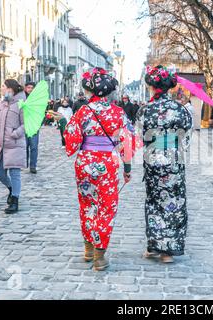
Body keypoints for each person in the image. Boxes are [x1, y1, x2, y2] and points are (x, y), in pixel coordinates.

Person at [64, 67, 137, 271]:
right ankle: (99, 256)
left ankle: (88, 249)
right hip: (107, 163)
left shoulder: (83, 111)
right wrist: (127, 168)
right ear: (110, 91)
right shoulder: (118, 112)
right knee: (106, 207)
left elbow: (72, 138)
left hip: (85, 162)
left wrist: (63, 123)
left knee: (87, 204)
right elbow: (127, 141)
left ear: (90, 91)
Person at [136, 65, 193, 264]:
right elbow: (186, 139)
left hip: (153, 159)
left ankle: (154, 245)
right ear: (169, 87)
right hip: (174, 160)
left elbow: (140, 136)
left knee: (153, 202)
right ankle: (168, 250)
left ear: (152, 87)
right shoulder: (181, 110)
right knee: (174, 203)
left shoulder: (145, 110)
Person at [0, 79, 26, 214]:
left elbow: (25, 124)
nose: (1, 88)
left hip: (15, 144)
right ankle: (12, 189)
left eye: (2, 86)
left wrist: (15, 133)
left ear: (10, 89)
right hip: (1, 144)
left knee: (15, 173)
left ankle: (15, 200)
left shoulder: (21, 105)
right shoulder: (0, 104)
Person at [24, 82, 40, 174]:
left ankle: (33, 166)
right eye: (28, 87)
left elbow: (41, 112)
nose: (30, 89)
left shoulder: (38, 99)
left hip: (34, 126)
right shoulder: (22, 98)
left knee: (34, 146)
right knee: (25, 146)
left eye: (32, 88)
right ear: (25, 88)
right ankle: (24, 163)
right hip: (24, 125)